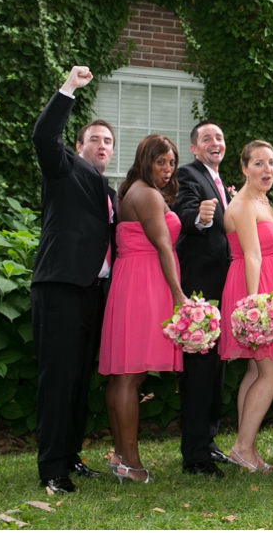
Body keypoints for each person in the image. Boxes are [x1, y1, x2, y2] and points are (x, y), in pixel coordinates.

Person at [30, 66, 116, 493]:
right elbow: (44, 136)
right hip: (61, 286)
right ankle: (51, 470)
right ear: (78, 146)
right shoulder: (62, 169)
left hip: (94, 291)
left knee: (80, 377)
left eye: (109, 141)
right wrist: (68, 89)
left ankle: (70, 455)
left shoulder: (109, 191)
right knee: (58, 377)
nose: (103, 146)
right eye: (95, 139)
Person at [99, 134, 186, 483]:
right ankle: (131, 463)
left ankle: (121, 455)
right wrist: (179, 295)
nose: (167, 170)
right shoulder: (147, 194)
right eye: (160, 162)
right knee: (130, 376)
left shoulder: (132, 190)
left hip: (132, 281)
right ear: (145, 160)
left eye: (171, 163)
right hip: (143, 285)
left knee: (123, 375)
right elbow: (164, 247)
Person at [217, 141, 273, 472]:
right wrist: (255, 303)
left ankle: (244, 447)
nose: (268, 169)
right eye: (259, 163)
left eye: (272, 163)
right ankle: (243, 447)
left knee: (256, 367)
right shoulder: (245, 203)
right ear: (244, 168)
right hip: (255, 285)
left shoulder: (262, 199)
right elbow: (251, 253)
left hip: (267, 279)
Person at [173, 121, 233, 477]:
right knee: (198, 372)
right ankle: (195, 456)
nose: (216, 143)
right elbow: (185, 213)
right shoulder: (189, 175)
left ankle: (209, 441)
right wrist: (200, 217)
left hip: (222, 287)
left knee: (216, 370)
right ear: (194, 148)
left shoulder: (219, 180)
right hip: (200, 287)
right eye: (207, 138)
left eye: (220, 138)